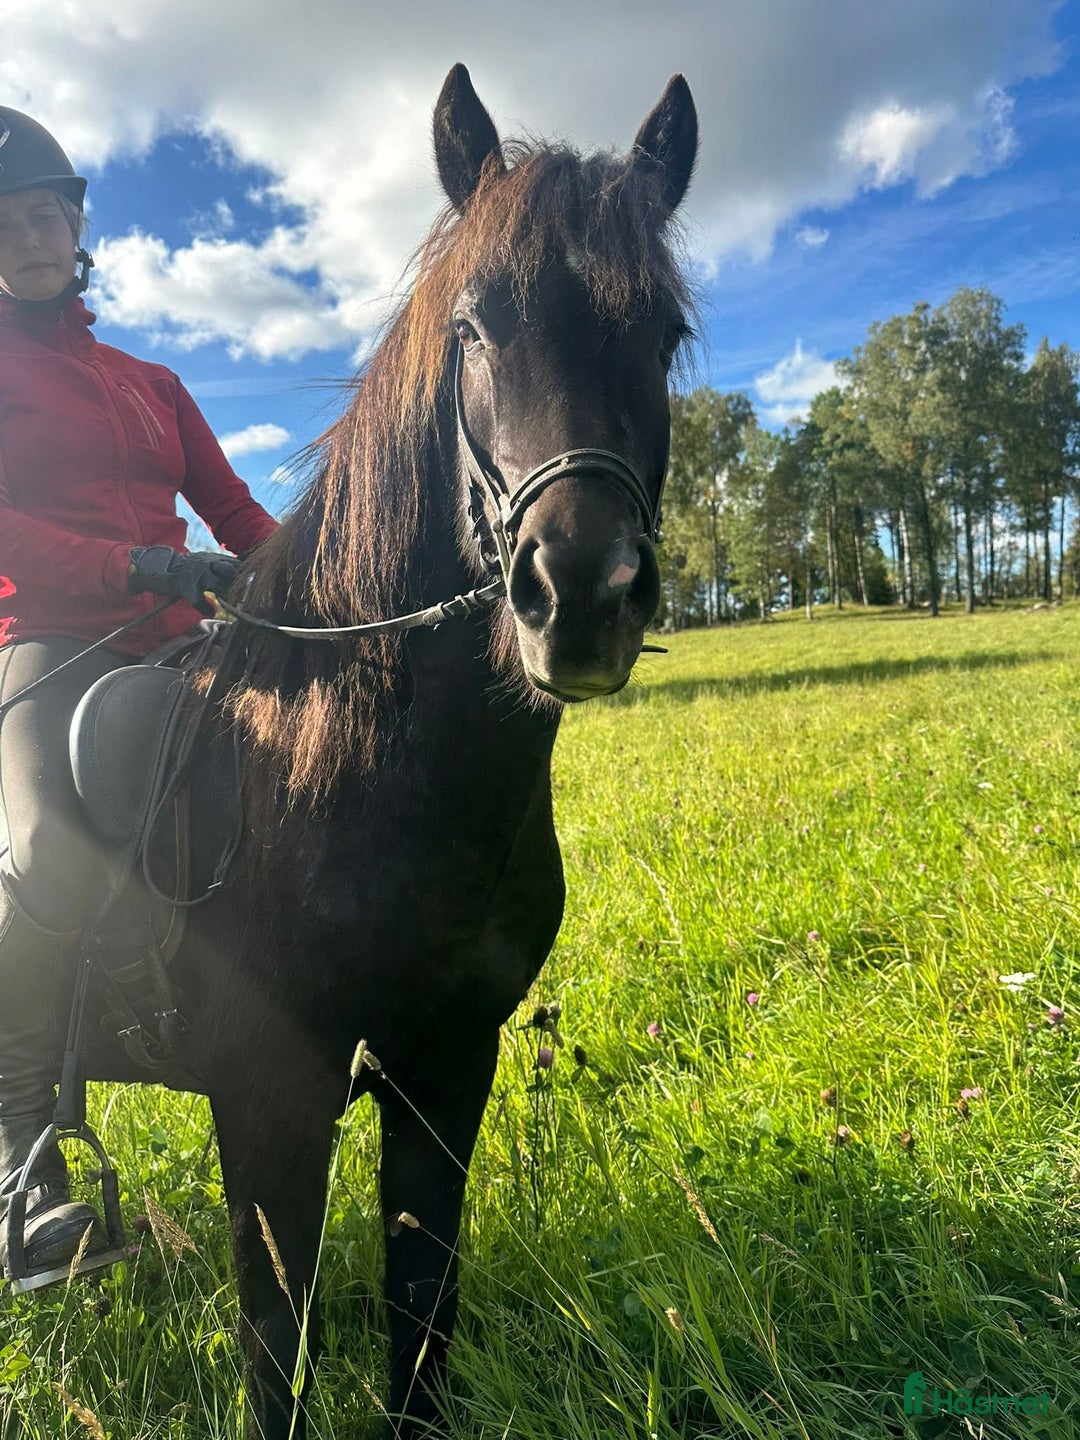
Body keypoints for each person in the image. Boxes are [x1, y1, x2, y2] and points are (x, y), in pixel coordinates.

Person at [0, 106, 279, 1284]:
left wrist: (313, 586)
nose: (30, 234)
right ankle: (24, 1165)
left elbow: (240, 518)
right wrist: (133, 567)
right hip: (50, 643)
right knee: (45, 848)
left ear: (78, 225)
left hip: (184, 643)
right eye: (7, 220)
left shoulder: (153, 381)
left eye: (48, 212)